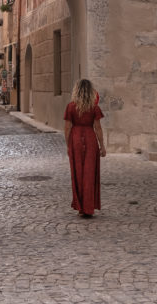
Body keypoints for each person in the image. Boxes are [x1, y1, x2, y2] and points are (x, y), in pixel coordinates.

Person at [63, 78, 106, 219]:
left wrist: (68, 144)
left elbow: (67, 127)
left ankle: (81, 207)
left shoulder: (70, 107)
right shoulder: (94, 108)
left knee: (77, 173)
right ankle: (88, 207)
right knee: (89, 173)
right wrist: (102, 146)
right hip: (90, 139)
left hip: (75, 139)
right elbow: (98, 128)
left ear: (77, 91)